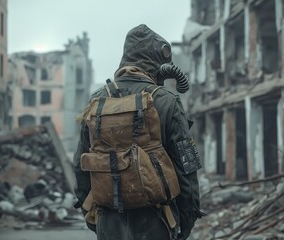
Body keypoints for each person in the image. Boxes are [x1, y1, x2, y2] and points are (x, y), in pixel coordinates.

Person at [74, 24, 203, 240]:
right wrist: (187, 219)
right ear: (157, 62)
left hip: (108, 221)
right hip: (157, 221)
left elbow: (80, 163)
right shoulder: (167, 100)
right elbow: (187, 166)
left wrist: (91, 215)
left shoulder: (97, 100)